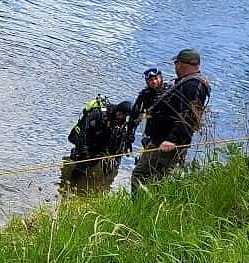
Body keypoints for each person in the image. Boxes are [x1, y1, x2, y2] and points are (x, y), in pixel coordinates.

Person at [131, 48, 211, 191]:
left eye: (176, 63)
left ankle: (142, 209)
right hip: (160, 140)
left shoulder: (193, 85)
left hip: (167, 142)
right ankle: (155, 207)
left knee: (140, 175)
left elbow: (190, 116)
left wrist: (172, 139)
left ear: (181, 64)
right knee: (158, 178)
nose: (175, 66)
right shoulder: (186, 82)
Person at [68, 99, 134, 177]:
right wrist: (83, 150)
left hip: (100, 145)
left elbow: (120, 141)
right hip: (87, 141)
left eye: (124, 115)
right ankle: (72, 183)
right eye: (120, 114)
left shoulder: (121, 123)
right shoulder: (98, 113)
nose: (121, 117)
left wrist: (113, 156)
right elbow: (83, 131)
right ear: (117, 109)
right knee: (81, 167)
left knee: (97, 166)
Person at [127, 67, 169, 148]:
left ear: (161, 78)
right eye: (151, 80)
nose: (154, 82)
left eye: (156, 78)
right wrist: (130, 134)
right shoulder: (145, 95)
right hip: (152, 133)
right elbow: (134, 116)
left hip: (169, 133)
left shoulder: (171, 91)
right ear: (147, 82)